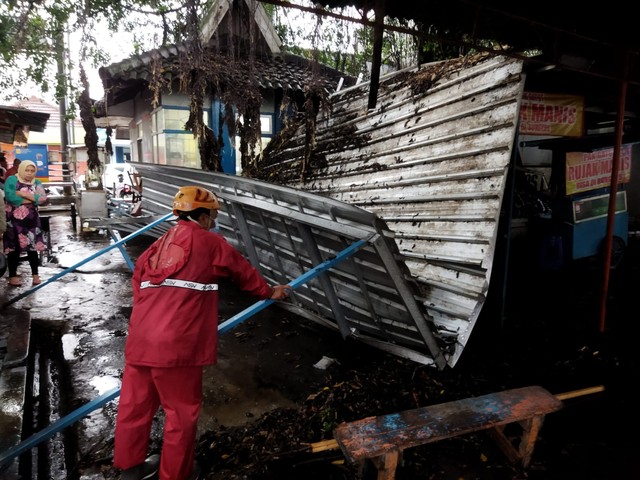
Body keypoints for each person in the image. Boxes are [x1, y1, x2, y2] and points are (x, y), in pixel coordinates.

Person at [113, 185, 292, 480]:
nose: (214, 220)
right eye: (213, 215)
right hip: (176, 345)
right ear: (204, 215)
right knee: (181, 413)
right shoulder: (209, 242)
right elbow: (240, 270)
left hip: (140, 339)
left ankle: (129, 469)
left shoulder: (156, 246)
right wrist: (269, 291)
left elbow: (138, 283)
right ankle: (176, 475)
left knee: (135, 406)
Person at [3, 159, 48, 286]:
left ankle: (35, 275)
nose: (29, 173)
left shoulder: (37, 182)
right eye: (27, 170)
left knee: (32, 247)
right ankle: (12, 275)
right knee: (14, 248)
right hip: (14, 222)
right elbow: (10, 197)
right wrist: (33, 198)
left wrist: (22, 194)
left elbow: (43, 198)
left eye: (32, 171)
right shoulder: (12, 180)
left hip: (32, 222)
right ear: (21, 169)